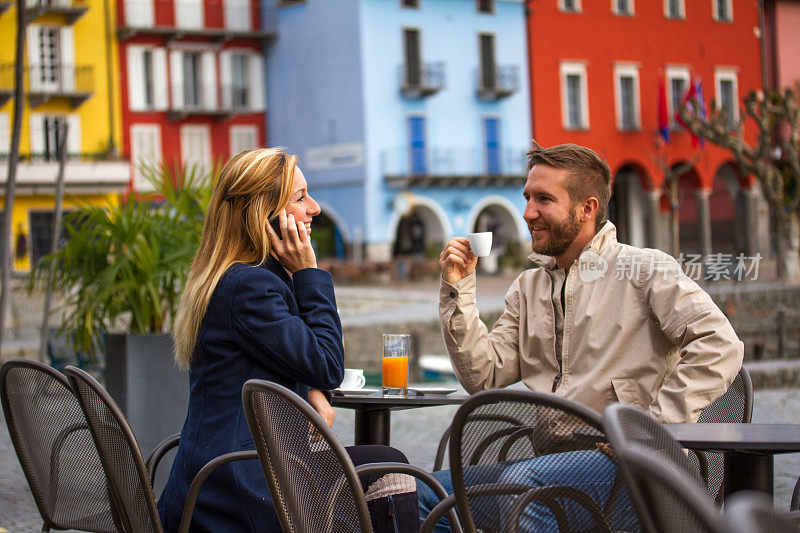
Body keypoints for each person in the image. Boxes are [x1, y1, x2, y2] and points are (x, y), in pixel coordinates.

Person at [419, 142, 744, 531]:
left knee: (524, 489)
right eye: (527, 198)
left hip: (634, 471)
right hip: (550, 466)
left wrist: (651, 428)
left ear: (587, 209)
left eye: (544, 199)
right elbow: (483, 376)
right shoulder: (528, 288)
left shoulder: (646, 269)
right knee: (419, 491)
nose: (527, 213)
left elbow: (720, 344)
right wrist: (458, 290)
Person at [157, 148, 417, 532]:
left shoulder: (247, 278)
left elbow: (312, 357)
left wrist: (315, 388)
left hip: (241, 470)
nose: (314, 208)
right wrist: (309, 272)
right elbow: (329, 364)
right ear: (264, 215)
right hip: (236, 487)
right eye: (300, 198)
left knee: (384, 462)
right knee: (387, 469)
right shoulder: (250, 285)